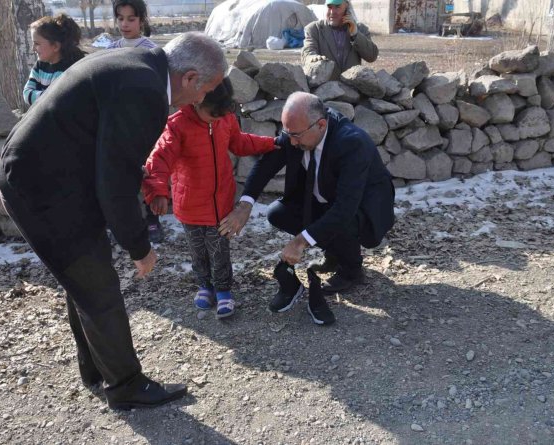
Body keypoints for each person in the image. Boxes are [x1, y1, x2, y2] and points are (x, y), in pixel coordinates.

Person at [0, 32, 227, 410]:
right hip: (42, 188)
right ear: (188, 78)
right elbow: (116, 179)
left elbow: (110, 164)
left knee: (85, 279)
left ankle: (96, 370)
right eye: (206, 88)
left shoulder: (137, 66)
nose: (202, 99)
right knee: (97, 284)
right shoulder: (145, 91)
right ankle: (125, 386)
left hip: (45, 176)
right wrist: (139, 245)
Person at [219, 92, 395, 325]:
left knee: (341, 223)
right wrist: (245, 205)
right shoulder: (298, 131)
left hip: (363, 208)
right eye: (287, 133)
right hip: (325, 200)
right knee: (278, 213)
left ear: (321, 125)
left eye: (295, 136)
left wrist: (300, 241)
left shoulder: (352, 143)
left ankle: (352, 269)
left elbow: (344, 208)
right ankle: (334, 254)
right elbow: (266, 164)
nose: (290, 142)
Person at [142, 78, 278, 319]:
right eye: (212, 114)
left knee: (219, 249)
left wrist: (270, 144)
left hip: (221, 205)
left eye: (221, 114)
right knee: (198, 250)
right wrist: (158, 192)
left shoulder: (225, 118)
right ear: (196, 101)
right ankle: (205, 285)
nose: (217, 118)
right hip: (190, 207)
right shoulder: (177, 125)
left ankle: (223, 289)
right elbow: (160, 159)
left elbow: (239, 142)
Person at [106, 0, 162, 241]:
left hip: (143, 121)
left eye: (131, 19)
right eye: (120, 18)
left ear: (141, 20)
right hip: (118, 123)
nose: (125, 24)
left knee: (149, 171)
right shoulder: (111, 49)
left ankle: (153, 219)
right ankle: (124, 223)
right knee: (120, 173)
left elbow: (158, 88)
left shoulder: (151, 51)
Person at [301, 0, 378, 81]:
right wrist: (312, 58)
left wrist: (355, 34)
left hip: (353, 89)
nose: (332, 12)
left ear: (347, 9)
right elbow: (308, 52)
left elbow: (372, 56)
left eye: (337, 7)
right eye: (329, 7)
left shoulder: (360, 29)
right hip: (327, 89)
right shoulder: (314, 29)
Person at [23, 14, 85, 106]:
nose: (33, 48)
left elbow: (60, 102)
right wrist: (48, 98)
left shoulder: (71, 70)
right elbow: (27, 93)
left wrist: (42, 98)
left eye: (37, 44)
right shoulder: (40, 66)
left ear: (55, 46)